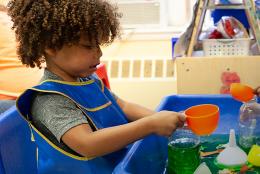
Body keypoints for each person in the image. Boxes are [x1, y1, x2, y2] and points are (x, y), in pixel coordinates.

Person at [8, 0, 185, 173]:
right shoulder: (50, 100)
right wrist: (151, 125)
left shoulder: (88, 80)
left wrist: (171, 119)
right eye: (88, 46)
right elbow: (88, 144)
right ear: (51, 47)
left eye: (98, 45)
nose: (99, 53)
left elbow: (123, 106)